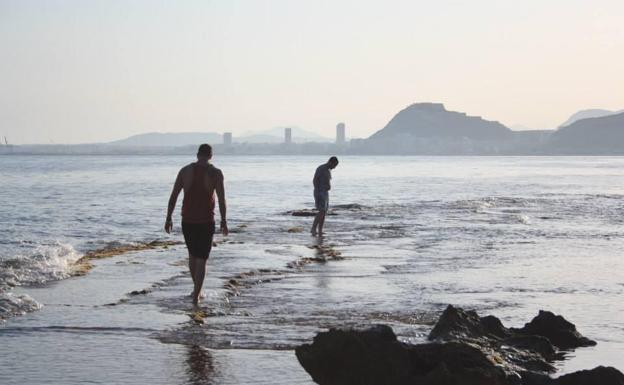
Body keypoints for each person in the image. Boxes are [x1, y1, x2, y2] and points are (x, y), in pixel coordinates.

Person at [165, 144, 228, 305]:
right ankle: (196, 294)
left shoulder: (185, 171)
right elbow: (221, 199)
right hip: (206, 221)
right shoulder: (215, 173)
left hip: (188, 221)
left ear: (197, 154)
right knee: (202, 259)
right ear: (211, 156)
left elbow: (173, 197)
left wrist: (168, 218)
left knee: (192, 256)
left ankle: (196, 290)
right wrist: (224, 220)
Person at [311, 156, 339, 236]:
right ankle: (313, 228)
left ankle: (320, 230)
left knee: (324, 212)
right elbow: (315, 180)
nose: (334, 167)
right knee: (321, 211)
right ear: (331, 162)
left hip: (325, 192)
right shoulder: (321, 168)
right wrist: (318, 191)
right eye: (334, 165)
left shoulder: (328, 170)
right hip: (320, 192)